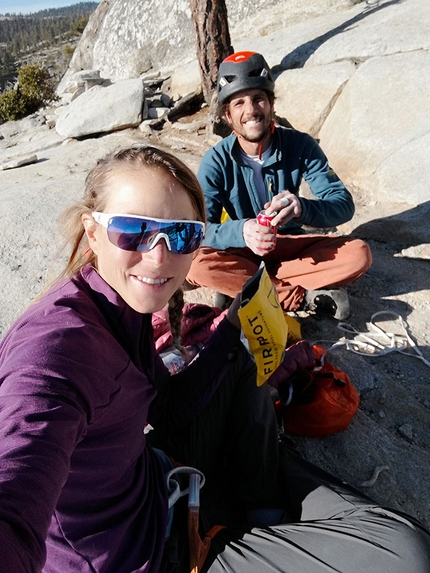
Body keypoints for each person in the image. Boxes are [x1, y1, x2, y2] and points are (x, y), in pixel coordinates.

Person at [0, 146, 429, 573]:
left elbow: (167, 412)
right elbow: (18, 482)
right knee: (405, 552)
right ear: (92, 233)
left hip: (159, 475)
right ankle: (257, 511)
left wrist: (231, 331)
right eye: (133, 230)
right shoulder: (56, 350)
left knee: (241, 350)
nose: (158, 256)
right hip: (151, 554)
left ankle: (261, 509)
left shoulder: (120, 307)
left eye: (182, 234)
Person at [186, 51, 373, 320]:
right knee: (197, 265)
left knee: (359, 254)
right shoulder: (215, 161)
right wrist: (243, 230)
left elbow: (343, 205)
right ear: (227, 115)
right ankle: (298, 296)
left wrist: (302, 209)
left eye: (258, 99)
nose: (250, 111)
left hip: (290, 246)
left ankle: (245, 288)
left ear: (271, 104)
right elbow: (201, 228)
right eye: (238, 103)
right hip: (244, 250)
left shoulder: (301, 145)